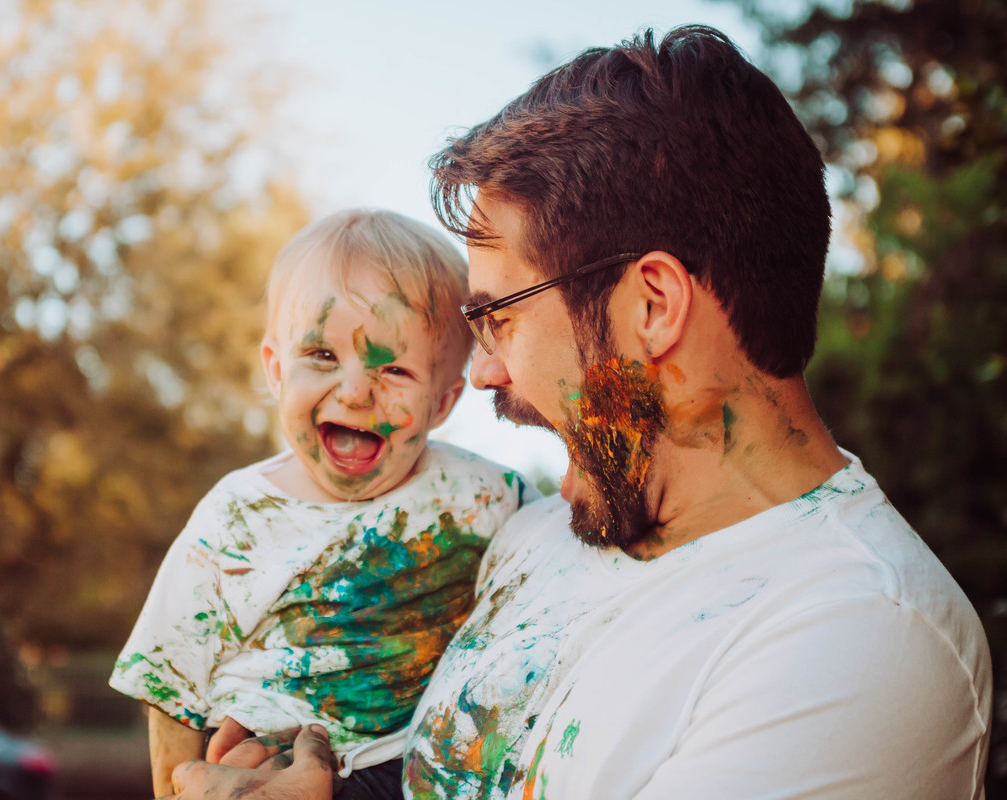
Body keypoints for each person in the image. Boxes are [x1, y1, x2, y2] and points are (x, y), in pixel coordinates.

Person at [162, 25, 992, 800]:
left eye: (501, 318)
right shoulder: (530, 536)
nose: (481, 372)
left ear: (653, 306)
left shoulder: (861, 644)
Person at [110, 208, 530, 798]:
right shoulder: (237, 515)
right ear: (277, 370)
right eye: (323, 357)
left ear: (442, 402)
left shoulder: (485, 496)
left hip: (405, 767)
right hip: (254, 763)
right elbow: (170, 685)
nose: (356, 391)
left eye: (396, 368)